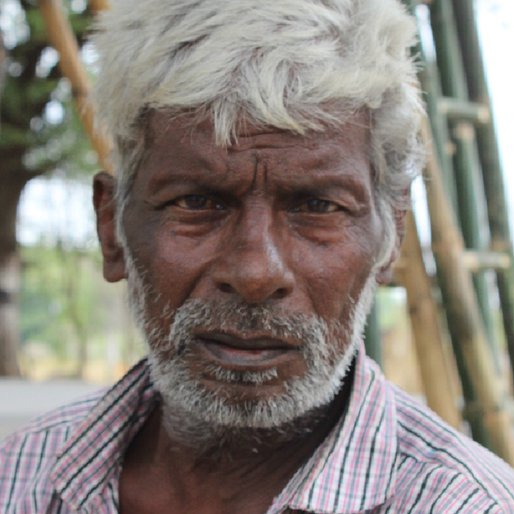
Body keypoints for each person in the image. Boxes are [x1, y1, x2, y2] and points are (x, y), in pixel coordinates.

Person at [2, 0, 514, 512]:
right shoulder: (20, 477)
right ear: (111, 229)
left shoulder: (465, 503)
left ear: (390, 238)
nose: (255, 273)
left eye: (318, 206)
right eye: (197, 202)